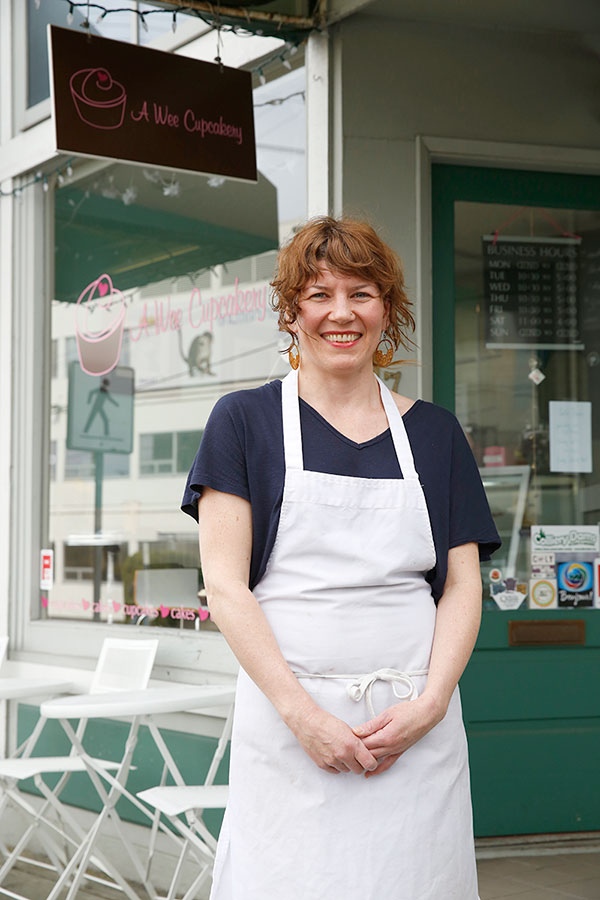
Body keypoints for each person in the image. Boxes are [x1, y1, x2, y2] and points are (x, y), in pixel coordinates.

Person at [181, 217, 501, 900]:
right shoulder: (243, 422)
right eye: (319, 294)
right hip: (292, 730)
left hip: (414, 732)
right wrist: (303, 716)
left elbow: (462, 585)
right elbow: (226, 588)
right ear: (291, 310)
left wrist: (434, 702)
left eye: (361, 293)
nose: (341, 313)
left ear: (387, 309)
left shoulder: (435, 433)